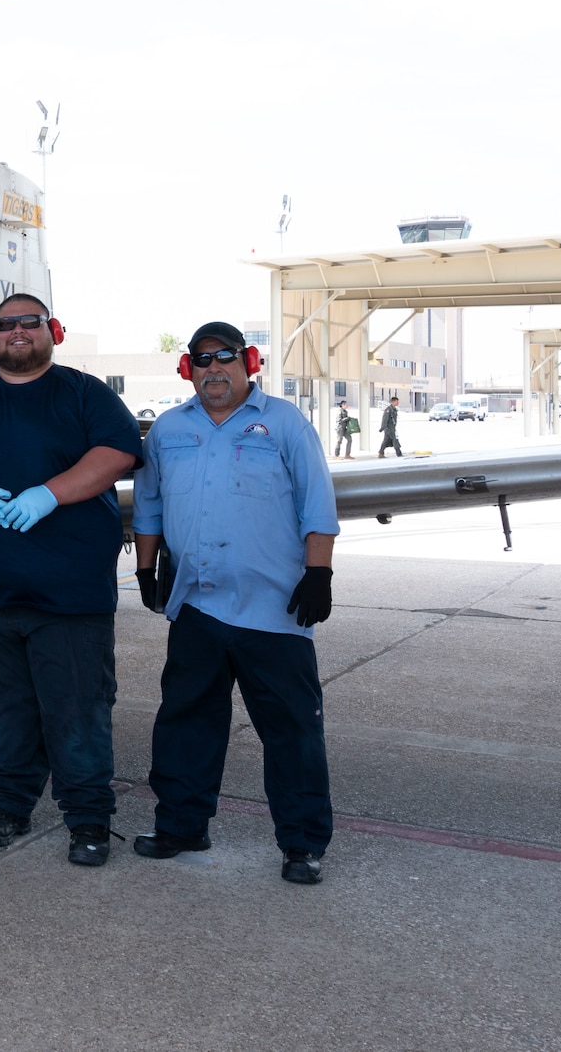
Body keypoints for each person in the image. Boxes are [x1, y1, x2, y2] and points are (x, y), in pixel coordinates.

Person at [0, 294, 141, 866]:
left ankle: (88, 819)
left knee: (78, 710)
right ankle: (8, 804)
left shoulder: (85, 392)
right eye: (5, 324)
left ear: (52, 331)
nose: (18, 332)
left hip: (68, 595)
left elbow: (116, 453)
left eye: (29, 323)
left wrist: (50, 493)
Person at [132, 320, 339, 885]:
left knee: (292, 730)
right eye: (201, 360)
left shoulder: (285, 424)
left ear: (247, 363)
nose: (213, 369)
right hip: (196, 606)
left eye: (224, 358)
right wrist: (146, 569)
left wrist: (317, 574)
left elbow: (318, 504)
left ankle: (302, 844)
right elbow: (148, 506)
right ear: (187, 369)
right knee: (185, 721)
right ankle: (181, 824)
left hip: (273, 611)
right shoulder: (168, 430)